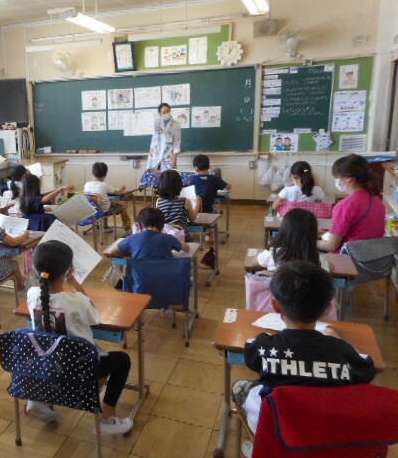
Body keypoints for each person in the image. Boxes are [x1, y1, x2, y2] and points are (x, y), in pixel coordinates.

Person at [232, 261, 376, 434]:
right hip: (325, 432)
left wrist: (270, 339)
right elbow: (367, 369)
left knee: (241, 386)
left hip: (276, 429)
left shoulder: (266, 347)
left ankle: (257, 444)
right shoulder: (341, 351)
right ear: (328, 308)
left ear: (276, 306)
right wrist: (339, 340)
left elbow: (250, 353)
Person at [26, 240, 134, 434]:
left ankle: (39, 395)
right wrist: (75, 283)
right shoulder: (77, 301)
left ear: (35, 268)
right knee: (122, 360)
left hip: (46, 364)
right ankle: (107, 417)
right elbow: (95, 317)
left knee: (92, 353)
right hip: (78, 368)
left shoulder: (32, 294)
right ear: (69, 271)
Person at [318, 154, 385, 252]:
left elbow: (331, 246)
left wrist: (308, 242)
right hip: (371, 256)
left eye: (337, 178)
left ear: (349, 179)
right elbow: (358, 231)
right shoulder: (377, 200)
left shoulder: (345, 206)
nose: (336, 181)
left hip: (347, 258)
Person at [112, 207, 182, 260]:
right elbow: (184, 247)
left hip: (140, 275)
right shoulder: (169, 238)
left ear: (139, 226)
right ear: (162, 227)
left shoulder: (132, 239)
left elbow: (112, 252)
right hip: (166, 274)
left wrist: (131, 254)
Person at [83, 162, 131, 234]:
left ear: (92, 173)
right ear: (105, 175)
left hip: (91, 210)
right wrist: (122, 189)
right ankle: (127, 228)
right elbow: (118, 193)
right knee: (122, 207)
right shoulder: (104, 185)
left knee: (107, 202)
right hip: (103, 210)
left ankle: (105, 226)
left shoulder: (87, 184)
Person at [156, 169, 199, 242]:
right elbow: (192, 218)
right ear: (179, 186)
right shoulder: (185, 201)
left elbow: (159, 220)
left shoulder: (159, 201)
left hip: (164, 237)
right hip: (182, 237)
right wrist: (197, 203)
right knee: (193, 243)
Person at [146, 103, 181, 172]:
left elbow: (177, 142)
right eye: (164, 112)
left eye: (168, 111)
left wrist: (174, 159)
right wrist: (150, 155)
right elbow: (153, 141)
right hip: (155, 155)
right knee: (153, 176)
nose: (166, 114)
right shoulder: (156, 122)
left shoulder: (176, 124)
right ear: (159, 113)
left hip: (168, 156)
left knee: (167, 176)